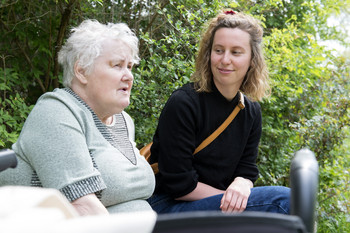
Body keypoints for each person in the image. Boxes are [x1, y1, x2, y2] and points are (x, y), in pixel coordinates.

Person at [0, 20, 155, 216]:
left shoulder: (124, 121)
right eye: (117, 65)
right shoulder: (56, 111)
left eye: (130, 67)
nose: (129, 76)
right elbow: (81, 208)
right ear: (81, 71)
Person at [147, 10, 290, 214]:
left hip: (214, 202)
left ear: (252, 59)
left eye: (236, 52)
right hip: (167, 206)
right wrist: (230, 200)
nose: (225, 60)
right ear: (209, 54)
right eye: (219, 50)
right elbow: (180, 185)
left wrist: (242, 184)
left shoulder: (250, 111)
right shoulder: (184, 103)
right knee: (283, 201)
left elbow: (246, 169)